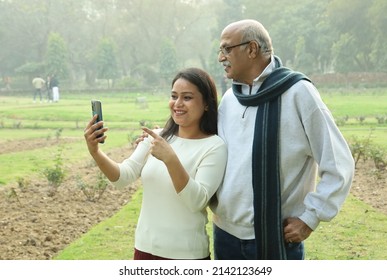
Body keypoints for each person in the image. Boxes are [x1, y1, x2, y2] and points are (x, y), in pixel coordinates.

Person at [209, 19, 355, 260]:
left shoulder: (298, 93)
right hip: (225, 236)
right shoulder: (229, 99)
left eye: (226, 49)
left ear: (252, 49)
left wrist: (310, 218)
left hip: (275, 238)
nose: (221, 57)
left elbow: (338, 163)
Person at [84, 67, 227, 260]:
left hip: (186, 255)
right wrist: (95, 151)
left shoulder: (214, 146)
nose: (177, 104)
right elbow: (122, 177)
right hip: (144, 249)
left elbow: (197, 201)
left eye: (187, 97)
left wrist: (170, 159)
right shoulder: (156, 137)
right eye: (174, 96)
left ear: (207, 104)